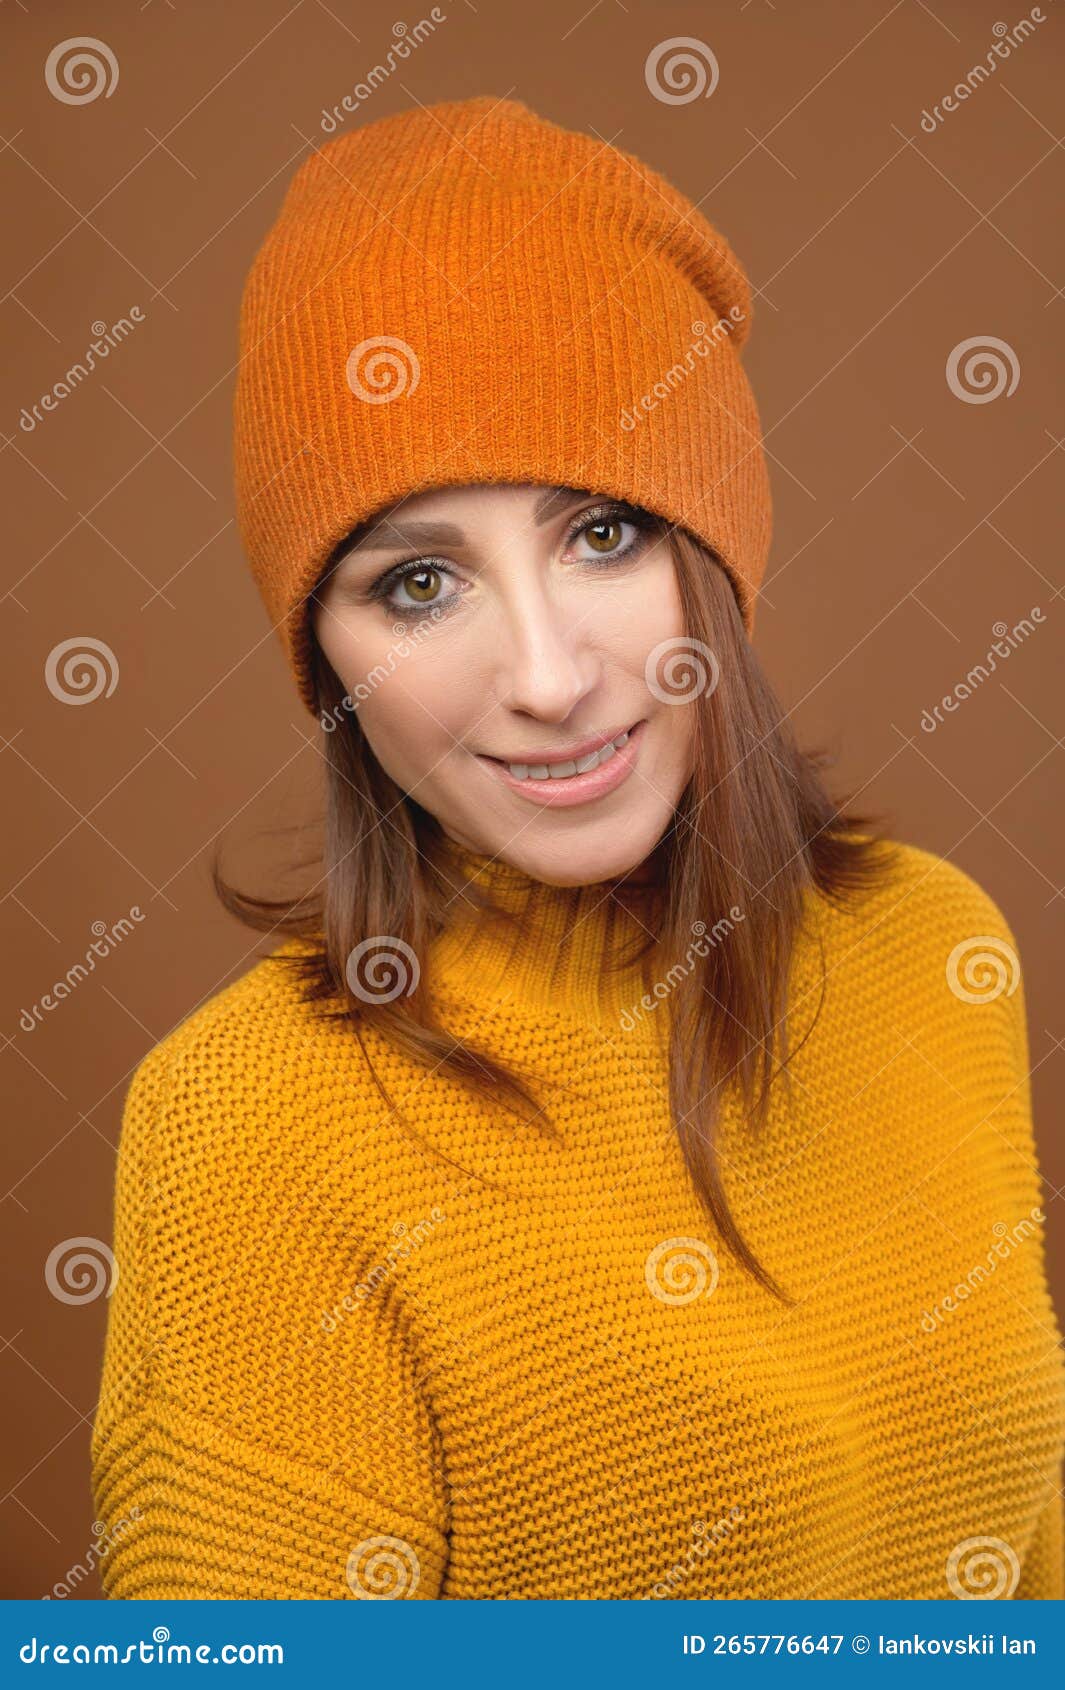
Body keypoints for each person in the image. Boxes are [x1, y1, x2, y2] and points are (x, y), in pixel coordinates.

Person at [90, 95, 1065, 1600]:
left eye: (601, 531)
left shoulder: (938, 950)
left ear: (714, 546)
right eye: (418, 583)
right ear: (325, 648)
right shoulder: (245, 1122)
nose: (544, 676)